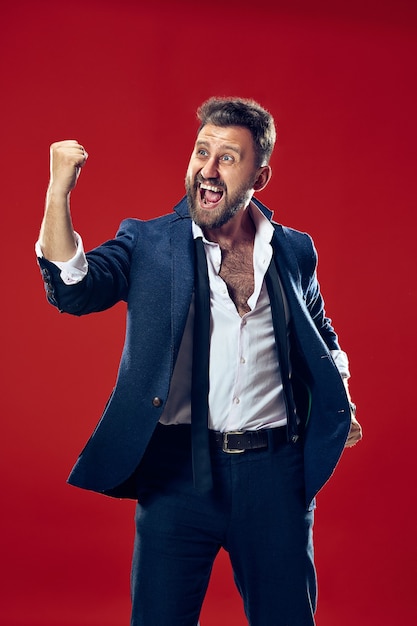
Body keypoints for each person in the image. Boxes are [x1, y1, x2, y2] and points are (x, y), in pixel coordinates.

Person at [36, 97, 362, 626]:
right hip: (177, 477)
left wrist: (339, 391)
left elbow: (320, 330)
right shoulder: (148, 242)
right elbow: (74, 287)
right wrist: (59, 191)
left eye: (227, 158)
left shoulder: (294, 250)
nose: (207, 171)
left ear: (261, 174)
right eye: (200, 152)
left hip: (276, 473)